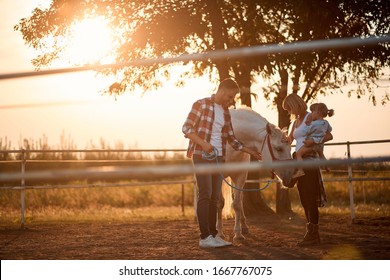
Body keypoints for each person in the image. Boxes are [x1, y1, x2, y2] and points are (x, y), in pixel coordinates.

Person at [182, 78, 262, 248]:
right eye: (231, 97)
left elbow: (231, 138)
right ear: (223, 91)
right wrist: (204, 144)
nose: (232, 101)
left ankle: (214, 235)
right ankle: (204, 238)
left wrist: (250, 151)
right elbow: (186, 128)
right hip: (202, 155)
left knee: (214, 197)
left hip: (219, 159)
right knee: (205, 194)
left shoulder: (225, 112)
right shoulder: (201, 105)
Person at [282, 94, 333, 246]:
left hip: (309, 161)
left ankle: (314, 234)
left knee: (310, 198)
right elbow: (290, 139)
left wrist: (313, 142)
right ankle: (310, 233)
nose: (288, 111)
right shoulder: (295, 122)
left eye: (289, 108)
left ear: (295, 105)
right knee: (304, 198)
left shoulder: (310, 118)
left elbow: (329, 135)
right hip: (299, 163)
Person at [293, 102, 334, 178]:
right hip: (320, 145)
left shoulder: (313, 124)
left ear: (318, 113)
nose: (311, 114)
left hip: (311, 144)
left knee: (298, 154)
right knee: (321, 155)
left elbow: (306, 131)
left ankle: (300, 170)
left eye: (312, 112)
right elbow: (330, 130)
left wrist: (307, 123)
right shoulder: (326, 123)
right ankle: (327, 166)